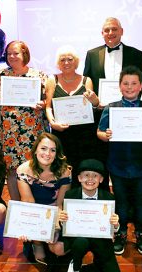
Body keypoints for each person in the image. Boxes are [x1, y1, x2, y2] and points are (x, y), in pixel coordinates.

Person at [97, 66, 142, 255]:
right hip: (118, 164)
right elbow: (99, 132)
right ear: (119, 86)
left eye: (134, 83)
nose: (129, 87)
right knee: (121, 201)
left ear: (141, 86)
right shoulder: (111, 108)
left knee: (141, 201)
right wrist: (106, 135)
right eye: (125, 83)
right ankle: (121, 233)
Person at [84, 17, 142, 189]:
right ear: (102, 33)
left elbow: (141, 84)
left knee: (128, 156)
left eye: (114, 29)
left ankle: (129, 201)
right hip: (101, 112)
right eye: (107, 30)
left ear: (121, 31)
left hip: (128, 113)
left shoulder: (136, 54)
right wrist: (95, 101)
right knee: (101, 156)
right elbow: (87, 81)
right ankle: (102, 197)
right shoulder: (91, 54)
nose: (110, 33)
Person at [0, 40, 51, 201]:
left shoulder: (39, 75)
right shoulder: (1, 75)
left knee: (33, 169)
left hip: (32, 131)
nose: (12, 56)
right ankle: (16, 208)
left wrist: (43, 104)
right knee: (12, 171)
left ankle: (34, 207)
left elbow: (48, 101)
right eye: (9, 53)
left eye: (16, 53)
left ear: (25, 54)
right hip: (8, 132)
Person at [60, 159, 122, 272]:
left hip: (101, 241)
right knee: (81, 243)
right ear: (79, 178)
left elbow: (113, 229)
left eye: (95, 175)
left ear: (101, 179)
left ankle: (99, 261)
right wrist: (62, 220)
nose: (90, 179)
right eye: (86, 175)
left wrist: (115, 225)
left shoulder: (108, 198)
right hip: (79, 239)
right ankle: (75, 265)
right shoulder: (70, 195)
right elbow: (66, 225)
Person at [46, 45, 99, 186]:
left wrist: (95, 101)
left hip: (85, 135)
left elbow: (93, 105)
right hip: (61, 134)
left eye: (70, 59)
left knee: (83, 170)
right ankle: (64, 203)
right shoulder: (52, 80)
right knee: (62, 171)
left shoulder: (86, 80)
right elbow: (48, 107)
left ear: (76, 62)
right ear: (58, 63)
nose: (66, 62)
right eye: (62, 60)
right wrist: (52, 123)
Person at [16, 133, 71, 262]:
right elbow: (28, 202)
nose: (48, 153)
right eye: (43, 148)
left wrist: (54, 226)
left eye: (53, 150)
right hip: (34, 211)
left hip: (54, 210)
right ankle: (37, 244)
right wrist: (29, 227)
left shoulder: (64, 172)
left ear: (57, 154)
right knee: (39, 254)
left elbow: (60, 204)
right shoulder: (23, 170)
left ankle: (51, 240)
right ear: (35, 150)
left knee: (58, 248)